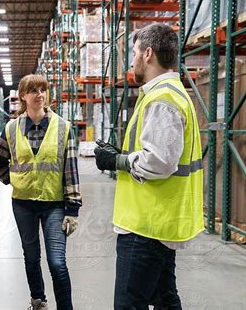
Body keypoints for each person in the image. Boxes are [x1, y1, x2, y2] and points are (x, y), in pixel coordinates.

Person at [94, 23, 204, 309]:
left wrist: (117, 160)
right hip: (160, 221)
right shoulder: (171, 93)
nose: (131, 60)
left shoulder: (162, 99)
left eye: (134, 53)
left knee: (129, 304)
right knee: (165, 299)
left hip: (146, 227)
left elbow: (159, 161)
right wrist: (125, 154)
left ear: (148, 53)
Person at [0, 74, 82, 310]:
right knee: (31, 257)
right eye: (34, 90)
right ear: (23, 96)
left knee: (57, 262)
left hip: (54, 204)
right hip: (23, 204)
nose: (40, 95)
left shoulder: (63, 127)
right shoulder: (11, 128)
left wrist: (73, 208)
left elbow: (70, 168)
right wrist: (14, 181)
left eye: (43, 90)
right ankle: (38, 300)